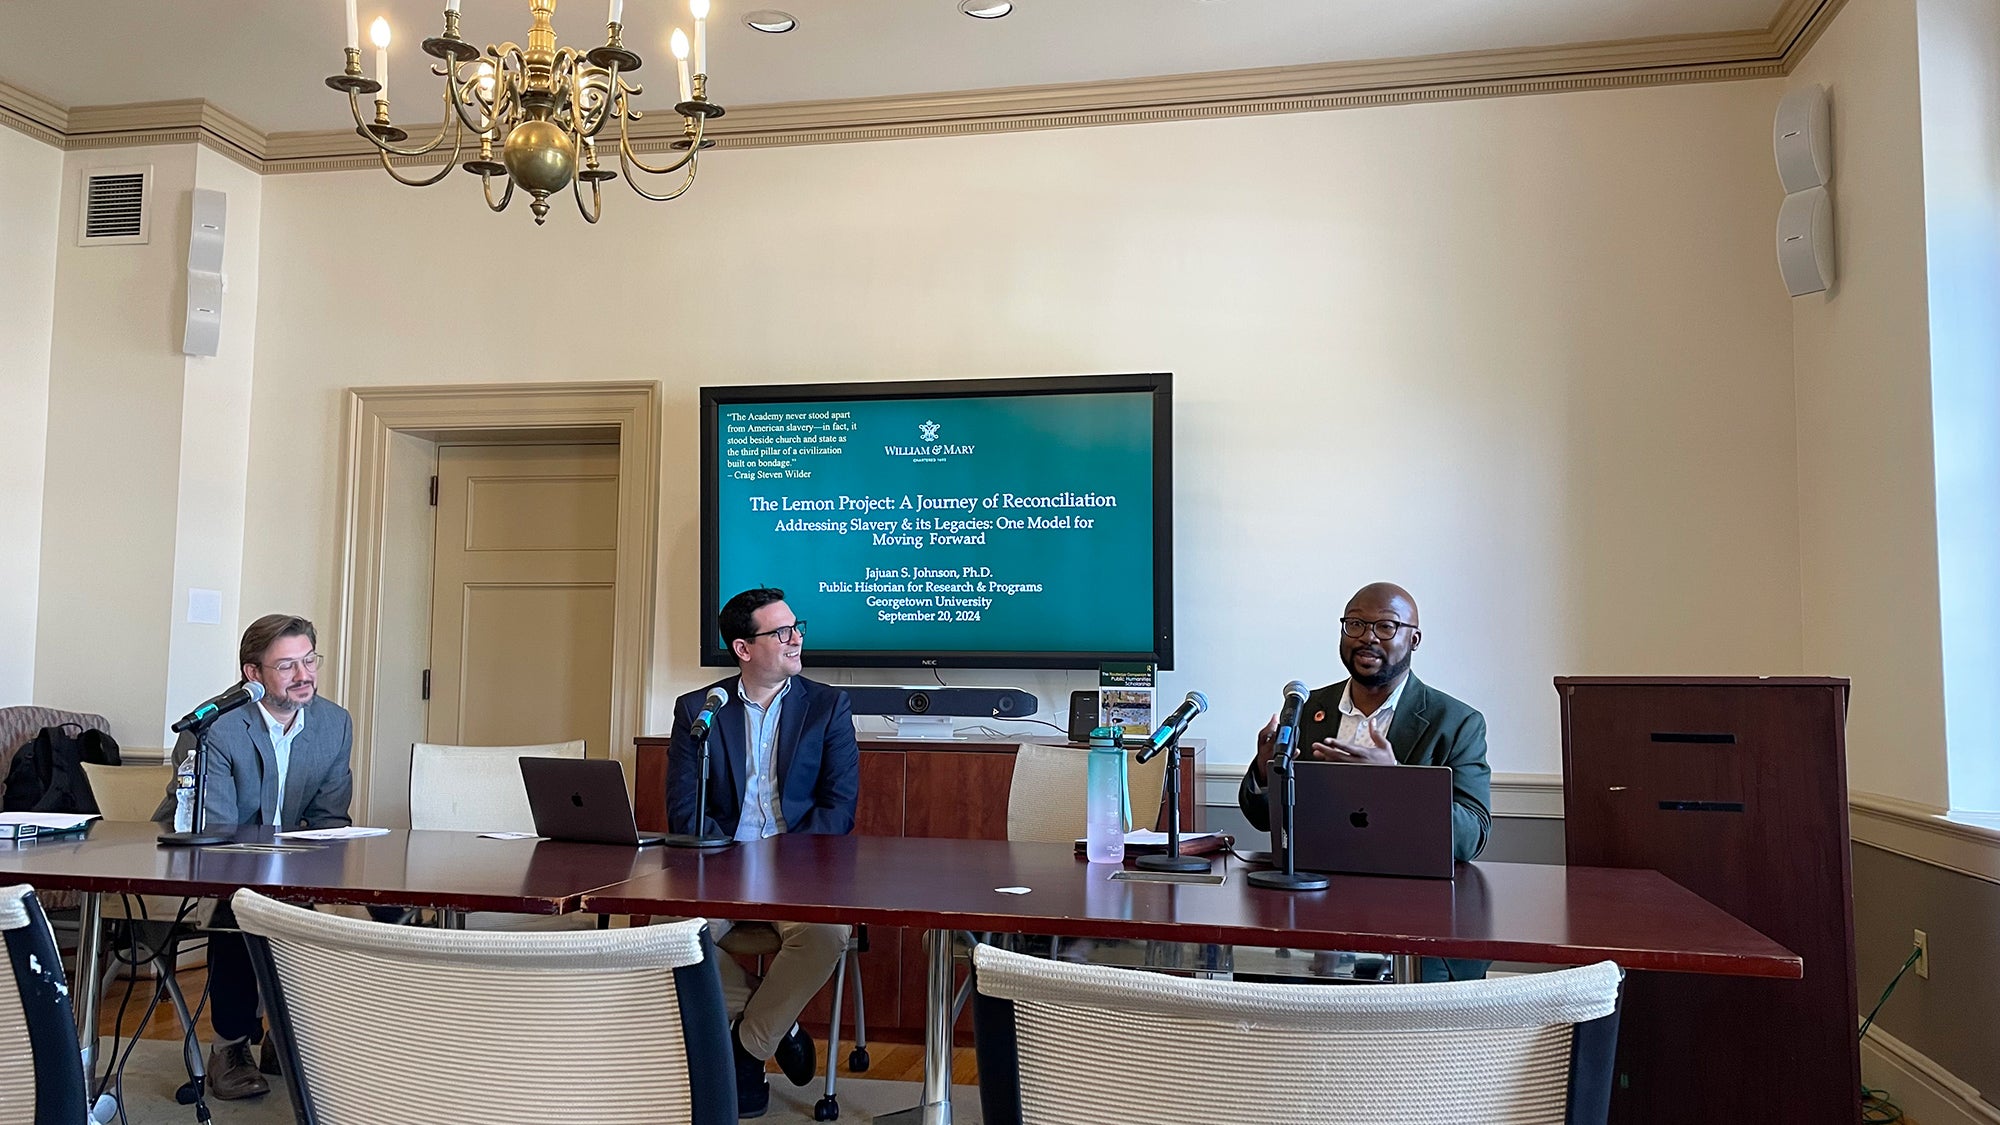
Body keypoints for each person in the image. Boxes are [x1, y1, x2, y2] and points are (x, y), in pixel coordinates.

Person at [667, 587, 860, 1119]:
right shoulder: (699, 711)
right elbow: (685, 811)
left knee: (826, 936)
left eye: (797, 627)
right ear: (743, 649)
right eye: (781, 632)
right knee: (667, 936)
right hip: (721, 872)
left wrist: (783, 866)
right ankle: (780, 1025)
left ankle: (745, 1049)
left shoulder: (826, 706)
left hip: (797, 874)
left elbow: (838, 810)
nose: (796, 638)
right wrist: (728, 864)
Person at [1237, 581, 1492, 980]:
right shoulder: (1307, 709)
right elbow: (1260, 816)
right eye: (1354, 624)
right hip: (1310, 911)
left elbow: (1472, 835)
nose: (1367, 637)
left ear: (1414, 638)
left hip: (1414, 917)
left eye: (1385, 627)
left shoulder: (1455, 723)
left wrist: (1395, 785)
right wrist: (1264, 768)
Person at [194, 614, 356, 1099]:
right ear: (253, 674)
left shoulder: (334, 722)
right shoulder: (218, 725)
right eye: (286, 666)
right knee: (240, 906)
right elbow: (217, 828)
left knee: (346, 912)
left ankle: (287, 1035)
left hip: (293, 858)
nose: (304, 675)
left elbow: (330, 818)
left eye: (310, 660)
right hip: (216, 861)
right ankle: (231, 1045)